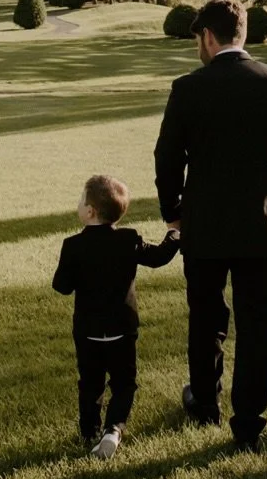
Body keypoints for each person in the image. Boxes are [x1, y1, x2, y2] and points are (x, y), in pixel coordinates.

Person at [154, 0, 267, 452]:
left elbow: (168, 158)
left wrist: (173, 211)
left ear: (207, 37)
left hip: (202, 223)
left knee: (205, 318)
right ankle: (248, 422)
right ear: (242, 33)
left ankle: (205, 403)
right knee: (256, 321)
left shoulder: (187, 88)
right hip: (261, 226)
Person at [52, 174, 180, 458]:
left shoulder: (72, 245)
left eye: (81, 200)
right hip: (123, 328)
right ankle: (114, 429)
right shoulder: (128, 239)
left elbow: (61, 287)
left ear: (90, 211)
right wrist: (174, 233)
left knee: (90, 382)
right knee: (123, 382)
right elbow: (159, 258)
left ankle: (89, 431)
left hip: (88, 331)